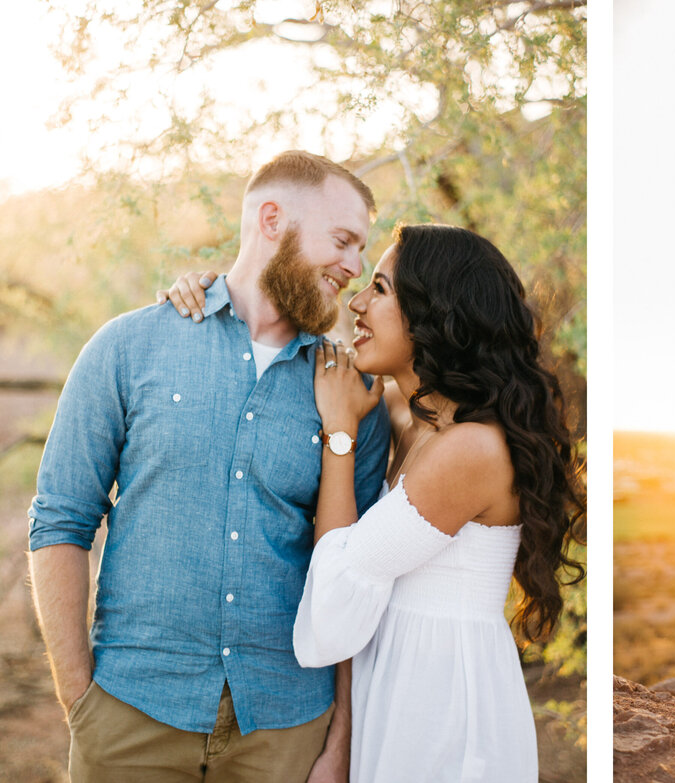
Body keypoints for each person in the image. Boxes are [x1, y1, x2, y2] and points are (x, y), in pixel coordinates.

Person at [163, 223, 586, 782]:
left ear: (438, 313)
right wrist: (211, 295)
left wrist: (341, 434)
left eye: (381, 289)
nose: (357, 302)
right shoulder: (412, 416)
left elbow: (336, 597)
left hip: (440, 707)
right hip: (398, 681)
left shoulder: (471, 449)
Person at [28, 150, 391, 782]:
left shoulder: (350, 393)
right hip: (130, 717)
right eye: (343, 241)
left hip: (286, 729)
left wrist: (341, 740)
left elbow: (354, 575)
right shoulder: (129, 347)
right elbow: (61, 518)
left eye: (362, 251)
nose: (355, 268)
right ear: (272, 219)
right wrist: (79, 700)